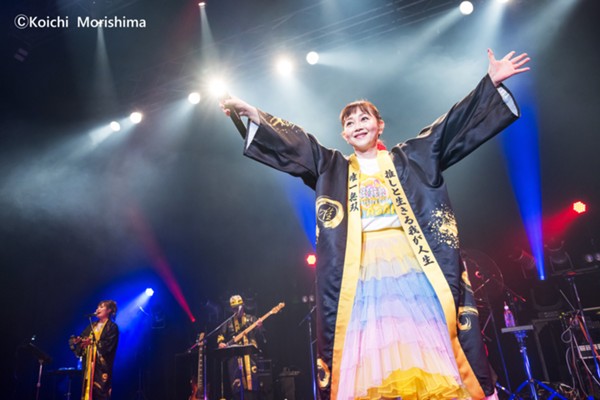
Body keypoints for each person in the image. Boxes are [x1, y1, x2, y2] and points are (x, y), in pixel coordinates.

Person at [220, 49, 530, 400]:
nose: (357, 125)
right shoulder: (334, 167)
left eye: (364, 118)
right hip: (361, 272)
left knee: (423, 348)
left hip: (410, 264)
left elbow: (448, 127)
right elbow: (297, 143)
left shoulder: (409, 157)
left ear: (379, 125)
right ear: (344, 134)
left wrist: (490, 83)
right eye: (350, 122)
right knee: (373, 355)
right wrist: (253, 113)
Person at [69, 300, 119, 400]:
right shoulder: (92, 326)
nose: (97, 309)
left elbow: (108, 346)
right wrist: (79, 341)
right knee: (87, 390)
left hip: (101, 367)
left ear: (109, 310)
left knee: (100, 392)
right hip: (89, 365)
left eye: (101, 307)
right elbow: (83, 338)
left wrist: (92, 343)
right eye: (97, 307)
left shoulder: (112, 327)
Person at [217, 295, 264, 400]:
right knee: (237, 387)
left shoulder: (252, 319)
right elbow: (221, 336)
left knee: (252, 386)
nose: (236, 310)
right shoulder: (228, 322)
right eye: (234, 308)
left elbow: (262, 339)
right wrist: (221, 343)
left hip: (251, 358)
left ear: (243, 306)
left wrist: (259, 328)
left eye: (238, 307)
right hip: (234, 359)